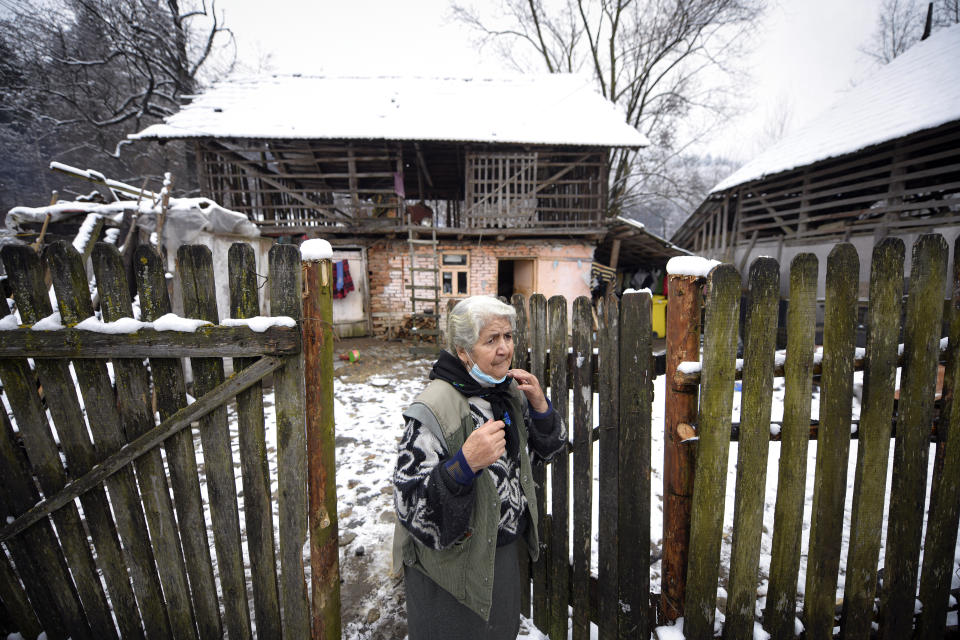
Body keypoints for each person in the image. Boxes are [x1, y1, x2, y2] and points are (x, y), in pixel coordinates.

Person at [393, 296, 567, 639]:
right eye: (491, 340)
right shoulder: (434, 407)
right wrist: (462, 466)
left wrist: (541, 408)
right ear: (462, 352)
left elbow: (544, 454)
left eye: (508, 337)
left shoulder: (505, 394)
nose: (505, 349)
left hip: (499, 555)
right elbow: (408, 505)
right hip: (448, 572)